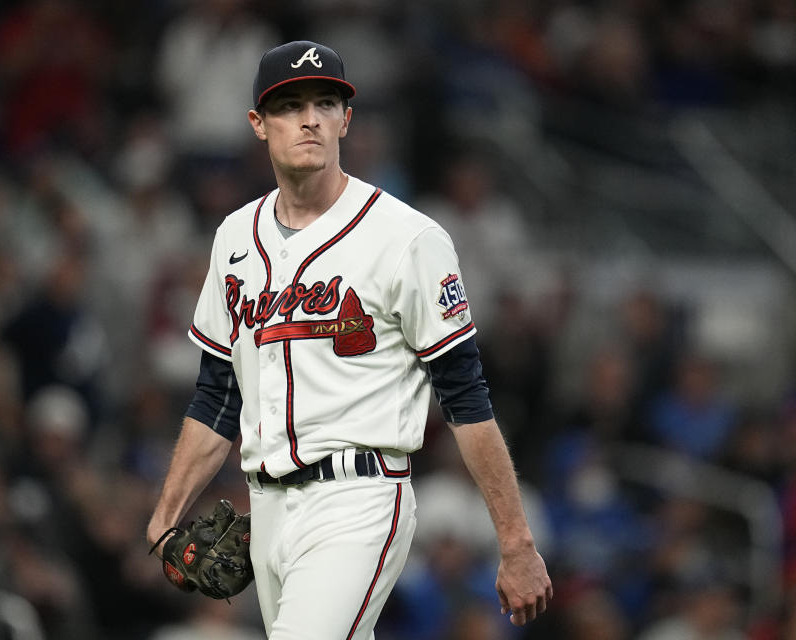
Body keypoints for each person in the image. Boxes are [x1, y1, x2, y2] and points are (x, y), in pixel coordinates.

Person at [146, 40, 552, 639]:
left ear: (346, 119)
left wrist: (516, 543)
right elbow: (217, 396)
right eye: (289, 105)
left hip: (359, 499)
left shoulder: (408, 237)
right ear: (258, 124)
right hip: (266, 509)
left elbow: (466, 398)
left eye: (324, 103)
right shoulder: (235, 236)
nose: (309, 118)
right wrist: (163, 518)